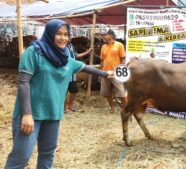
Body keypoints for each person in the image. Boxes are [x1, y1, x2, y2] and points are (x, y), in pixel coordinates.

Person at [4, 19, 113, 169]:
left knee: (48, 154)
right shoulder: (34, 52)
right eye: (58, 34)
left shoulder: (65, 58)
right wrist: (27, 114)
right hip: (30, 114)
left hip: (53, 113)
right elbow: (23, 83)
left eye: (66, 34)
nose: (63, 38)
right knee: (21, 157)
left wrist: (107, 74)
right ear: (49, 34)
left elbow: (86, 68)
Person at [99, 29, 126, 113]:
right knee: (106, 92)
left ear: (111, 35)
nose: (103, 36)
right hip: (105, 73)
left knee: (121, 93)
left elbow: (123, 59)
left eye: (105, 35)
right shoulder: (103, 47)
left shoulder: (119, 45)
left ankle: (125, 109)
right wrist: (100, 73)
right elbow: (102, 61)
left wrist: (121, 71)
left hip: (116, 73)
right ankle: (112, 108)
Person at [64, 45, 93, 113]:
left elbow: (76, 56)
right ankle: (65, 109)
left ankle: (70, 107)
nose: (68, 38)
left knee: (74, 90)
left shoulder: (71, 46)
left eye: (68, 36)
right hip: (64, 72)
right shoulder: (61, 46)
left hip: (72, 74)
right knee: (64, 92)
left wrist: (87, 52)